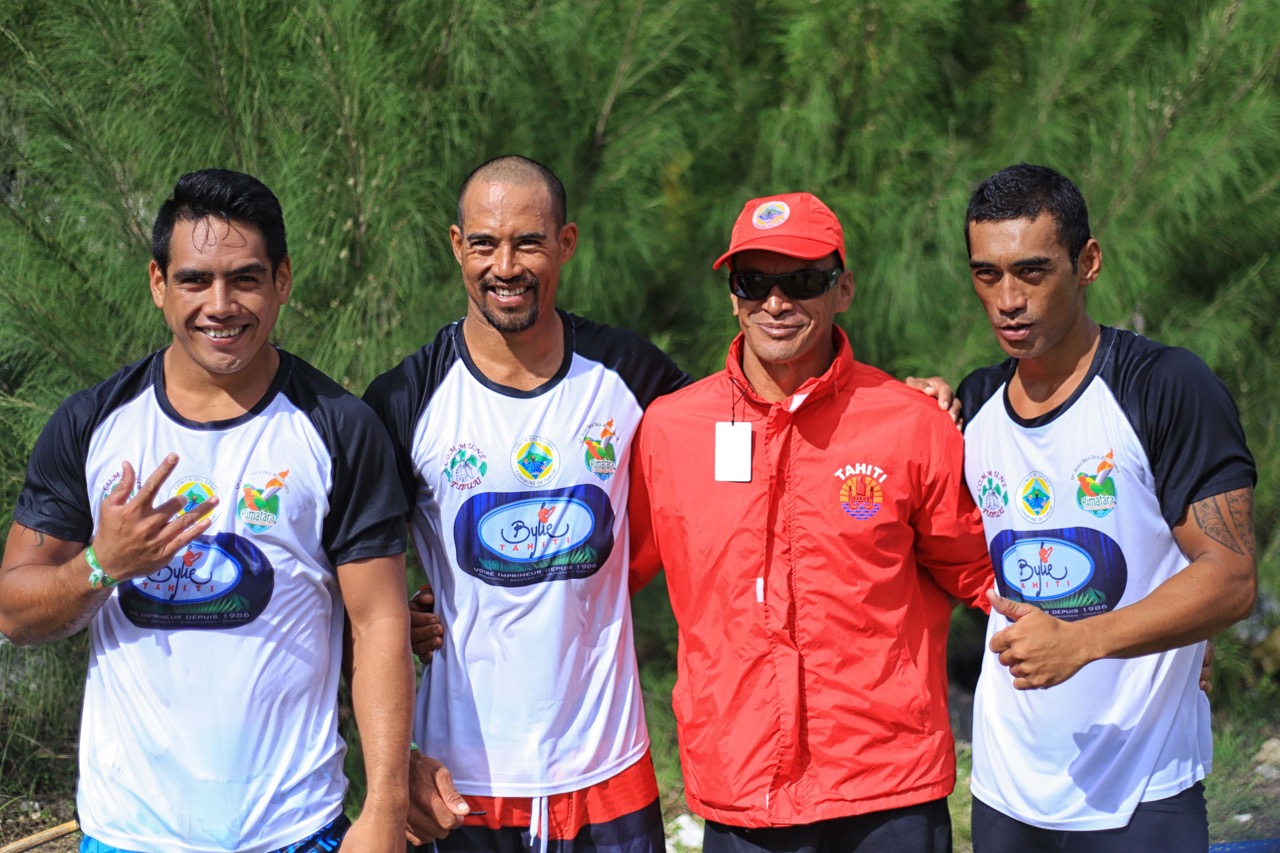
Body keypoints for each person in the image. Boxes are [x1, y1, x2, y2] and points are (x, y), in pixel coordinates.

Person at [0, 169, 415, 853]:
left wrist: (385, 807)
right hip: (129, 834)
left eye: (244, 279)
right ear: (158, 283)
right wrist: (102, 564)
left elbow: (378, 622)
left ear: (282, 280)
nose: (220, 305)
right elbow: (14, 612)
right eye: (195, 280)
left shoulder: (339, 427)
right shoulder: (92, 425)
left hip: (295, 830)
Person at [627, 191, 994, 853]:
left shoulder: (913, 423)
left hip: (887, 789)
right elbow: (604, 578)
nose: (776, 302)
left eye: (802, 281)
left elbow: (983, 573)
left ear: (843, 289)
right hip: (742, 782)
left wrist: (1122, 629)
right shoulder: (669, 430)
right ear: (732, 295)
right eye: (753, 281)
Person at [363, 155, 689, 853]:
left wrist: (901, 407)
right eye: (484, 243)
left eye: (528, 243)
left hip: (608, 774)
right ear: (457, 246)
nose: (504, 266)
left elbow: (749, 431)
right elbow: (345, 584)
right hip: (458, 783)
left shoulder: (631, 374)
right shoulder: (403, 400)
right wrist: (398, 616)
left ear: (565, 243)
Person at [956, 163, 1257, 852]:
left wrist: (1083, 641)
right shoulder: (971, 405)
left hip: (1141, 787)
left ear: (1087, 262)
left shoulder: (1164, 386)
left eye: (1032, 271)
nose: (1008, 299)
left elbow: (1232, 577)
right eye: (987, 274)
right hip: (1006, 788)